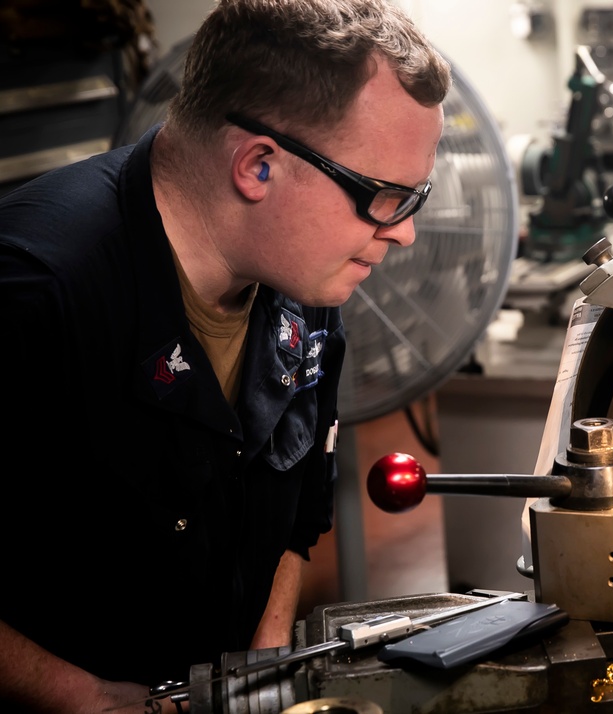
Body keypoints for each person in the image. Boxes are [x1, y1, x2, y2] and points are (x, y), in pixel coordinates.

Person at [0, 0, 450, 711]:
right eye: (383, 197)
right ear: (258, 167)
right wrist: (73, 695)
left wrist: (259, 675)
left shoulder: (306, 280)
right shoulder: (35, 293)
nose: (405, 235)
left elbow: (299, 510)